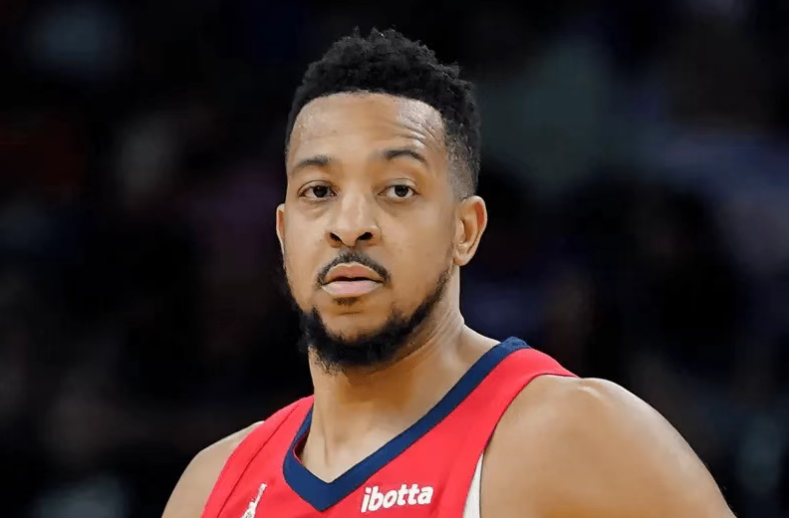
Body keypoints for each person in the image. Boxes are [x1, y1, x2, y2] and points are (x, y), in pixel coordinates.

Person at [161, 29, 734, 518]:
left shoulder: (572, 432)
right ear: (284, 232)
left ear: (466, 230)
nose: (351, 226)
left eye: (398, 189)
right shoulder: (211, 488)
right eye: (319, 191)